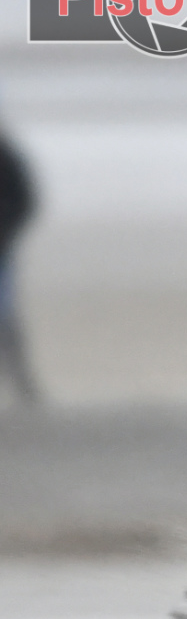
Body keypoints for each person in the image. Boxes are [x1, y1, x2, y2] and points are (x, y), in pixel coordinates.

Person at [0, 115, 39, 407]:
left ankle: (24, 386)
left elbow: (25, 201)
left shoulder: (6, 157)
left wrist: (6, 233)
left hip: (1, 248)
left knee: (5, 318)